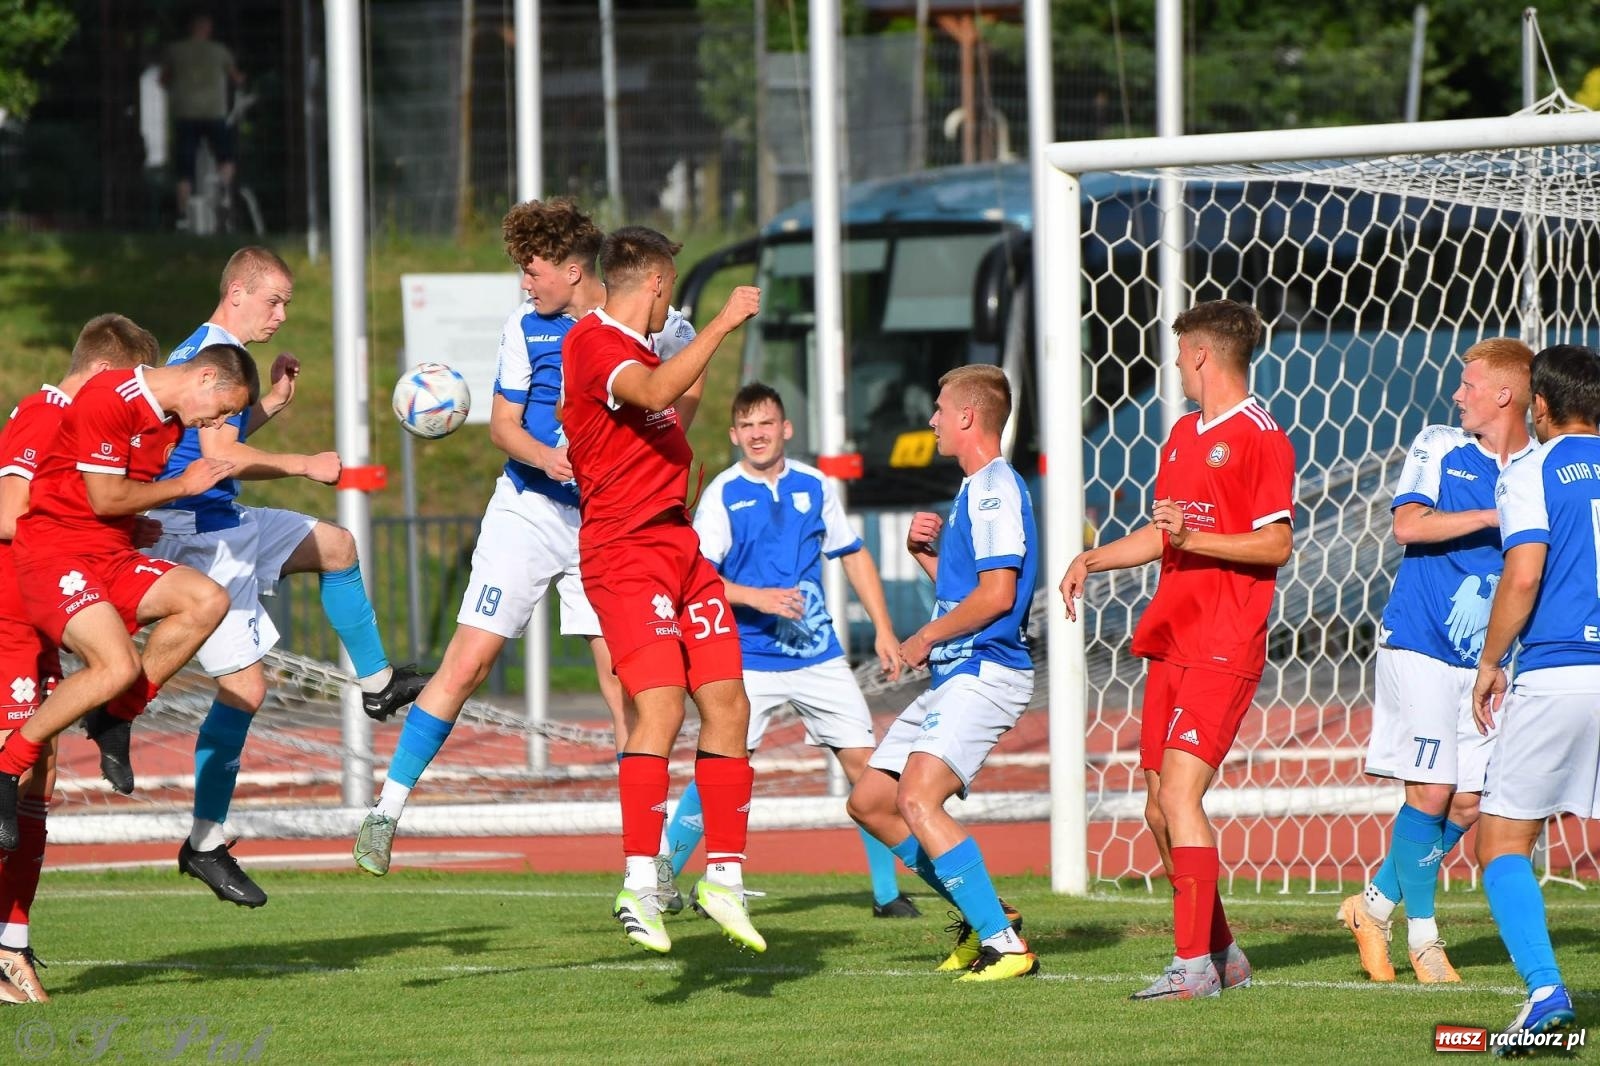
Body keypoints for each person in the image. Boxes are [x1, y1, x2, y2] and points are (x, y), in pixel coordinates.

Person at [352, 199, 697, 879]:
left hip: (608, 524)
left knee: (627, 684)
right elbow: (504, 425)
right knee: (469, 659)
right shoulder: (526, 328)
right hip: (532, 509)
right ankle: (385, 812)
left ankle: (648, 861)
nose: (524, 283)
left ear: (573, 270)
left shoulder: (666, 330)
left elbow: (673, 418)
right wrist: (549, 457)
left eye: (532, 270)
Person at [132, 246, 427, 909]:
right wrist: (303, 463)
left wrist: (270, 402)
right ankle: (205, 841)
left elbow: (219, 438)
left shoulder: (222, 353)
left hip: (226, 518)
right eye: (274, 300)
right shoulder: (208, 353)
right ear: (237, 291)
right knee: (245, 691)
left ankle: (378, 685)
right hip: (198, 538)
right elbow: (221, 453)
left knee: (336, 545)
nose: (283, 313)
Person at [1060, 299, 1295, 1000]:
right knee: (1158, 809)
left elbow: (1276, 542)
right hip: (1173, 641)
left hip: (1224, 643)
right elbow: (1167, 533)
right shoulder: (1182, 435)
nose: (1176, 368)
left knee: (1184, 795)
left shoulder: (1261, 436)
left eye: (1179, 354)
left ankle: (1191, 968)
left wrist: (1194, 539)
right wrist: (1093, 559)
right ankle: (1223, 953)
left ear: (1199, 354)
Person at [562, 225, 762, 955]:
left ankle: (726, 880)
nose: (668, 300)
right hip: (625, 555)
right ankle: (640, 882)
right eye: (669, 287)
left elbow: (673, 408)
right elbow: (649, 390)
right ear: (651, 282)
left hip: (680, 549)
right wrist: (719, 324)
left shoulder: (646, 353)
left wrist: (694, 365)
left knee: (730, 702)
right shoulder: (593, 342)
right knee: (663, 706)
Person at [660, 382, 912, 917]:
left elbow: (853, 554)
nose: (757, 434)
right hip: (745, 658)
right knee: (722, 768)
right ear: (734, 435)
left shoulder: (815, 485)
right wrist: (755, 597)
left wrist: (884, 631)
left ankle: (889, 896)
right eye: (747, 426)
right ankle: (661, 878)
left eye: (766, 424)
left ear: (785, 429)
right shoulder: (723, 494)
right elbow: (695, 575)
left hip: (818, 656)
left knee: (868, 770)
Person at [0, 344, 259, 860]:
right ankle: (7, 768)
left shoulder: (170, 423)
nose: (223, 419)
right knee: (115, 664)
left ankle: (116, 716)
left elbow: (103, 500)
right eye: (227, 407)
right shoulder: (109, 397)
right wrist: (181, 486)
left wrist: (131, 523)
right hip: (53, 554)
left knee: (207, 599)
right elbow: (103, 497)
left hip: (108, 553)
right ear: (206, 377)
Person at [1338, 339, 1533, 984]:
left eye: (1469, 384)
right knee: (1431, 790)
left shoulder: (1539, 465)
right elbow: (1409, 526)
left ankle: (1373, 906)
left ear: (1504, 394)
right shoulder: (1439, 445)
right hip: (1418, 642)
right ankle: (1424, 942)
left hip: (1486, 661)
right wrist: (1492, 514)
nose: (1458, 394)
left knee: (1471, 804)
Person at [845, 365, 1038, 982]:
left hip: (988, 671)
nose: (930, 420)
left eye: (938, 409)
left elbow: (1000, 596)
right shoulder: (973, 489)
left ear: (965, 418)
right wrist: (929, 557)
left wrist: (923, 636)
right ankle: (986, 913)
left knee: (917, 798)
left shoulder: (992, 490)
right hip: (958, 672)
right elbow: (971, 598)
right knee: (871, 802)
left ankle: (1005, 945)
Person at [0, 314, 163, 1004]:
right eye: (126, 384)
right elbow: (10, 510)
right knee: (15, 770)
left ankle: (12, 944)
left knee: (37, 776)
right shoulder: (50, 414)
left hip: (37, 619)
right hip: (11, 615)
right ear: (103, 374)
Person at [1470, 344, 1600, 1048]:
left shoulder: (1534, 468)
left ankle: (1546, 989)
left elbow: (1523, 576)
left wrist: (1491, 661)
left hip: (1560, 671)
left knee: (1503, 840)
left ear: (1540, 407)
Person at [161, 10, 245, 228]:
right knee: (226, 158)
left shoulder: (176, 51)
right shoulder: (219, 51)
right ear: (208, 29)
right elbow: (237, 78)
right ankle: (224, 191)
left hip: (185, 115)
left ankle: (182, 215)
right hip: (214, 113)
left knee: (184, 169)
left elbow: (163, 80)